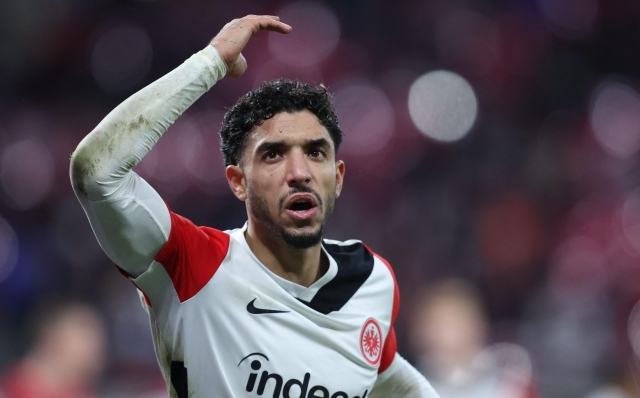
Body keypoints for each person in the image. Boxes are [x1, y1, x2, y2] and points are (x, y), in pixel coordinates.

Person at [70, 15, 439, 398]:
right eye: (274, 155)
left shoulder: (372, 279)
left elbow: (386, 374)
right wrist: (210, 62)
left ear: (338, 177)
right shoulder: (193, 266)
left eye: (315, 152)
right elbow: (96, 172)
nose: (300, 172)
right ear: (238, 183)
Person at [410, 279, 536, 398]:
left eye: (458, 319)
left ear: (478, 324)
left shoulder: (512, 386)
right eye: (438, 323)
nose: (450, 330)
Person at [0, 301, 106, 398]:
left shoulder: (83, 390)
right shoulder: (12, 390)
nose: (97, 345)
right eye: (84, 336)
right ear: (53, 336)